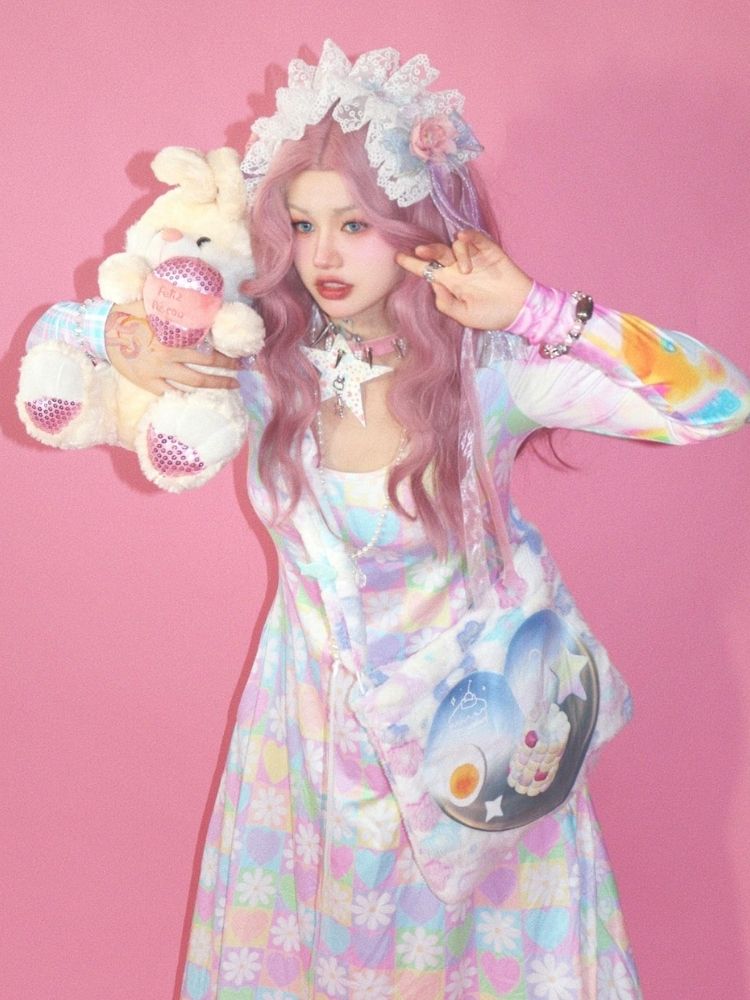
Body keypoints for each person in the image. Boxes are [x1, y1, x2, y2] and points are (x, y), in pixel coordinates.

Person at [22, 40, 750, 1000]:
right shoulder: (265, 365)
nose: (323, 255)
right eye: (304, 223)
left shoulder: (494, 372)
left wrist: (535, 311)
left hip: (476, 754)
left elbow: (716, 402)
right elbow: (63, 350)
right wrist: (121, 337)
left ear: (417, 225)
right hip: (306, 751)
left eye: (355, 223)